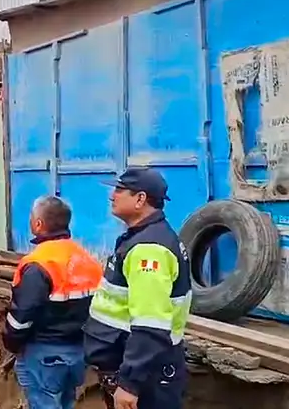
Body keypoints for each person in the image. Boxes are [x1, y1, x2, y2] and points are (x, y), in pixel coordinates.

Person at [84, 168, 191, 409]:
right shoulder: (141, 238)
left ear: (140, 199)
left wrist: (130, 384)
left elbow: (151, 324)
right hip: (139, 369)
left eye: (120, 190)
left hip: (147, 377)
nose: (112, 196)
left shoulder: (149, 250)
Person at [3, 195, 103, 409]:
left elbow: (22, 315)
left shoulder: (39, 263)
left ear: (38, 224)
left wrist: (11, 343)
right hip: (78, 352)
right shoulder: (88, 260)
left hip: (43, 353)